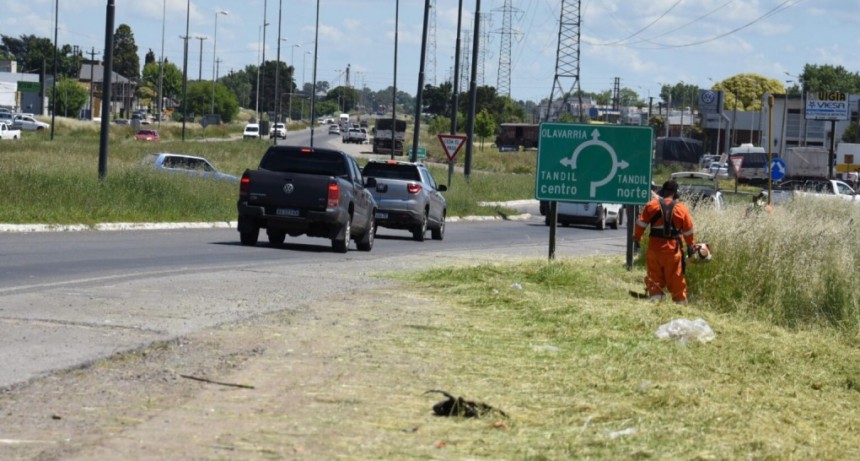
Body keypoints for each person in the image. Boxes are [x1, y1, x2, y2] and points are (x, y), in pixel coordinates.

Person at [633, 179, 697, 304]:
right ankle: (680, 305)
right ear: (675, 193)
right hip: (672, 251)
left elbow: (640, 225)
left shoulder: (652, 206)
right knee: (676, 279)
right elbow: (688, 231)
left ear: (663, 192)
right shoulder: (681, 209)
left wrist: (637, 238)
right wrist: (691, 245)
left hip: (654, 250)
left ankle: (656, 303)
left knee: (654, 278)